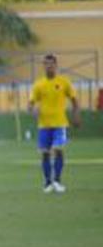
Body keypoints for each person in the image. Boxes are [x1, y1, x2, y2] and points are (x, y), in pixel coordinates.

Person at [28, 54, 79, 194]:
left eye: (51, 63)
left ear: (56, 65)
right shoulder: (39, 84)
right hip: (44, 125)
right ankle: (47, 183)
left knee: (58, 150)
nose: (48, 66)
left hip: (59, 123)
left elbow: (74, 100)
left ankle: (57, 180)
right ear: (43, 66)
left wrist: (76, 115)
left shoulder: (63, 82)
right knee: (45, 154)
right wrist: (33, 112)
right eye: (46, 64)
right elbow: (30, 105)